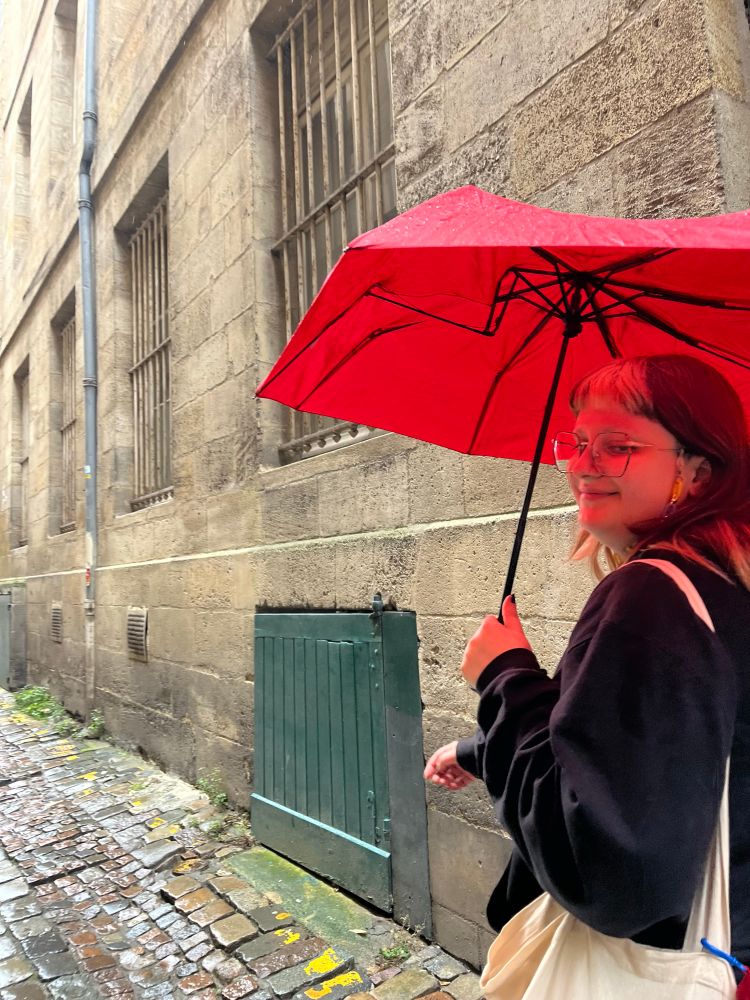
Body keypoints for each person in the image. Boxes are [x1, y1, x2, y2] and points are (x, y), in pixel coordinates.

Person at [424, 354, 750, 968]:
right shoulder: (724, 583)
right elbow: (661, 745)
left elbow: (602, 867)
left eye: (618, 446)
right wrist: (479, 749)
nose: (581, 466)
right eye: (576, 443)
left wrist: (504, 678)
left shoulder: (654, 596)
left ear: (698, 471)